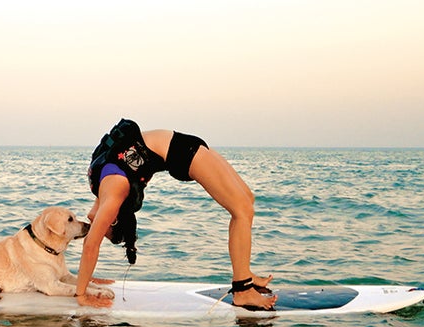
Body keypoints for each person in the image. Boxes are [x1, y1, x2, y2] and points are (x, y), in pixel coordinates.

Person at [75, 119, 277, 310]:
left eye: (105, 229)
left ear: (114, 220)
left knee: (246, 202)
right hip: (182, 148)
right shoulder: (104, 188)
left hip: (183, 150)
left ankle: (243, 281)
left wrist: (81, 294)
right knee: (243, 210)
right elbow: (93, 220)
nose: (100, 227)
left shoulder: (113, 194)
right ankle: (243, 284)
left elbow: (91, 246)